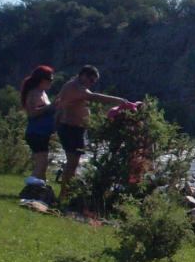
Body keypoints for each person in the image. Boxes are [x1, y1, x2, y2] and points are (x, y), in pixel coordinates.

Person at [54, 65, 128, 198]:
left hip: (76, 129)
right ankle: (63, 195)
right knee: (72, 163)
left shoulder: (77, 86)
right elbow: (93, 97)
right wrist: (118, 100)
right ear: (83, 75)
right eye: (91, 80)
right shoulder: (74, 86)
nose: (92, 84)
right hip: (70, 128)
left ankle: (67, 192)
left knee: (74, 162)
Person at [20, 65, 56, 181]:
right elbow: (32, 113)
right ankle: (31, 185)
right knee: (41, 164)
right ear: (41, 80)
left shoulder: (42, 93)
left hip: (42, 133)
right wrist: (50, 107)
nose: (51, 82)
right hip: (36, 132)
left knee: (43, 164)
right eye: (50, 80)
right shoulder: (33, 93)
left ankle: (40, 188)